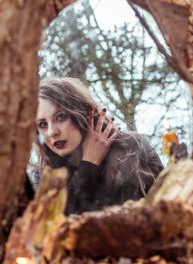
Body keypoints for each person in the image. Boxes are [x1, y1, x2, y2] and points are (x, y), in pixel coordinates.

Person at [34, 77, 163, 215]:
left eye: (60, 117)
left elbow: (167, 206)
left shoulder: (131, 147)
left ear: (82, 113)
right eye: (42, 124)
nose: (52, 132)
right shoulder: (44, 177)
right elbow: (57, 228)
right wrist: (88, 165)